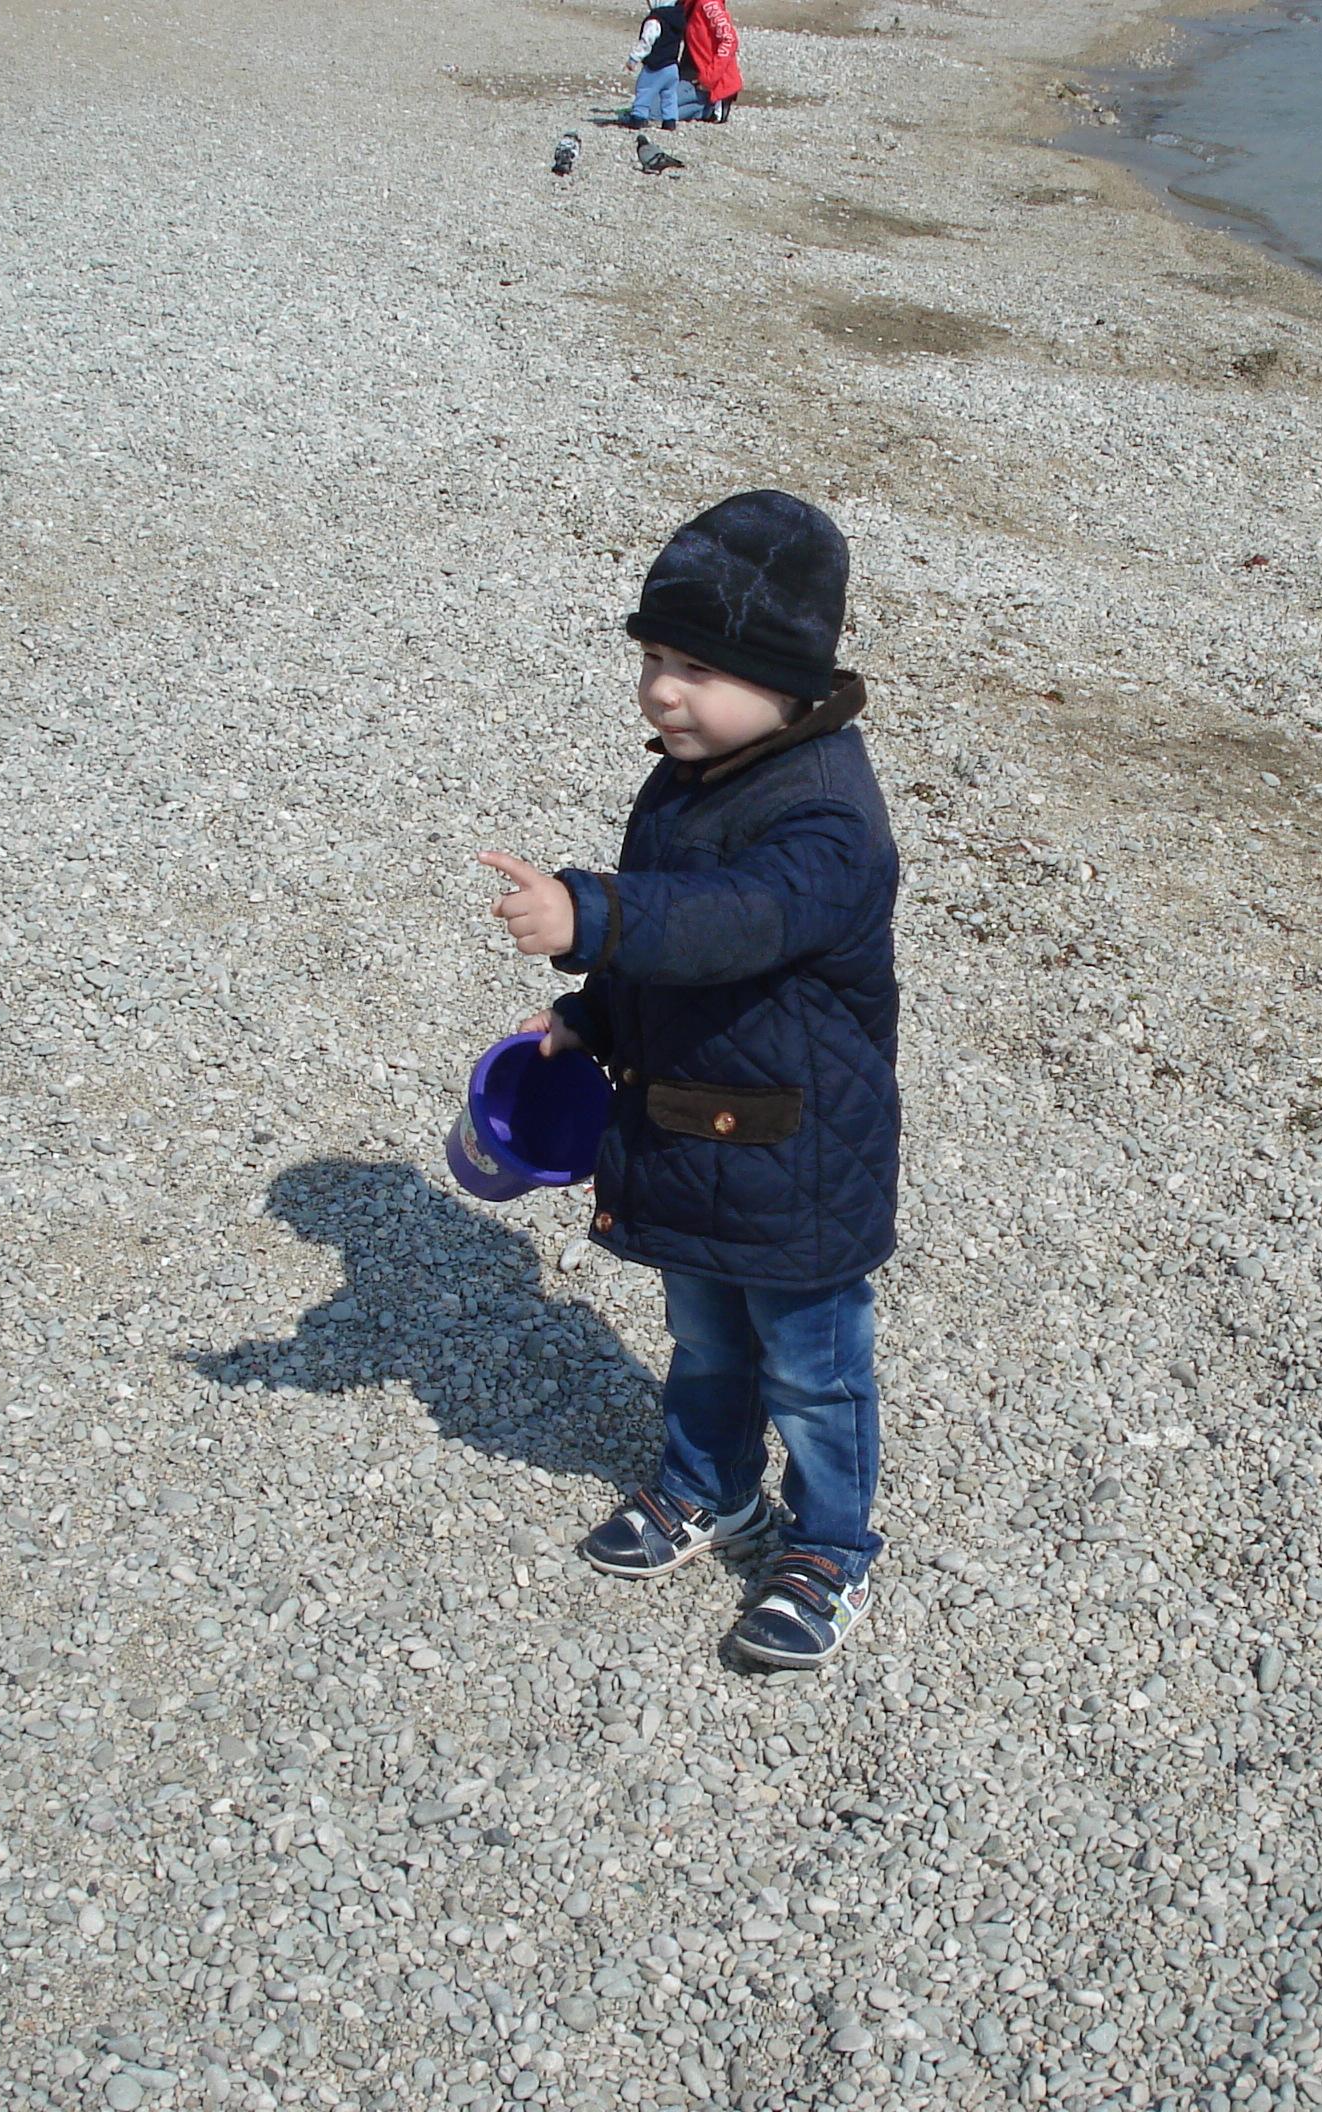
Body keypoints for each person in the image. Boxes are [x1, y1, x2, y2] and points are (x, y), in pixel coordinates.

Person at [476, 492, 900, 1670]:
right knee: (706, 1342)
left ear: (789, 687)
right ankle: (710, 1488)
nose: (662, 692)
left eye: (697, 670)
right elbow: (670, 954)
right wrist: (590, 1018)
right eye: (653, 658)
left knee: (812, 1372)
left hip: (798, 1158)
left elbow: (733, 919)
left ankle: (830, 1546)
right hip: (686, 1129)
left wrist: (589, 914)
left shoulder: (828, 819)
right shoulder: (683, 777)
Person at [624, 0, 703, 128]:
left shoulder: (655, 20)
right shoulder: (678, 18)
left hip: (656, 66)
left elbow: (646, 41)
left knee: (644, 89)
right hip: (672, 66)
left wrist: (634, 58)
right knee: (669, 95)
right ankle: (670, 120)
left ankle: (638, 116)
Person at [682, 0, 740, 123]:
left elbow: (729, 39)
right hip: (691, 75)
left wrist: (709, 79)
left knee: (656, 111)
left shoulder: (708, 4)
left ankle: (710, 108)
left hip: (709, 82)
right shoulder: (690, 4)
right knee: (650, 105)